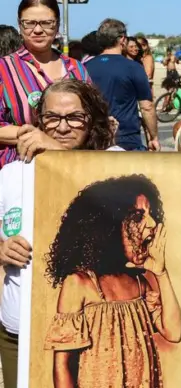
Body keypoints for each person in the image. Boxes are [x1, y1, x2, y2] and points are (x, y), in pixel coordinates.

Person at [0, 79, 123, 388]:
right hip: (20, 332)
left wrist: (56, 154)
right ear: (39, 120)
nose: (62, 127)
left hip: (95, 340)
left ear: (92, 120)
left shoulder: (118, 160)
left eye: (74, 117)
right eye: (52, 117)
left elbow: (105, 196)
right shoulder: (13, 174)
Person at [43, 174, 181, 387]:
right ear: (109, 226)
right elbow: (62, 365)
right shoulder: (79, 283)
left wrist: (161, 273)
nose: (152, 224)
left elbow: (173, 332)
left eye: (151, 214)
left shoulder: (138, 283)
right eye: (138, 217)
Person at [0, 0, 91, 168]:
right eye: (30, 23)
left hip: (71, 167)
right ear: (20, 26)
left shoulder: (76, 68)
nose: (38, 30)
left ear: (57, 26)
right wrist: (33, 136)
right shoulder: (4, 69)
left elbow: (93, 116)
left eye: (46, 23)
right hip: (19, 169)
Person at [85, 19, 159, 152]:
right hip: (127, 139)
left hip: (94, 138)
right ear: (122, 39)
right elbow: (146, 107)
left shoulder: (85, 67)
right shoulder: (133, 67)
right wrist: (153, 137)